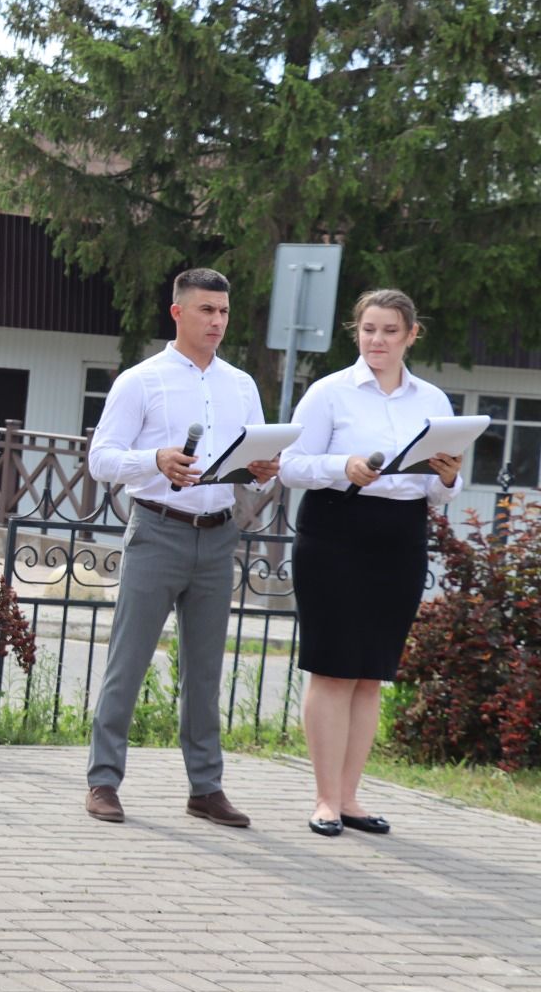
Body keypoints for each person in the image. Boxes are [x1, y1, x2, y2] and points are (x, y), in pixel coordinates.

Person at [82, 268, 280, 828]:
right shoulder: (140, 381)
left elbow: (258, 468)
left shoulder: (241, 385)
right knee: (129, 660)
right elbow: (101, 459)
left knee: (205, 670)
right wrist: (155, 460)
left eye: (223, 312)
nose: (217, 321)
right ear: (178, 312)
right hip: (157, 530)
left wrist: (266, 471)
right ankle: (103, 780)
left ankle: (205, 788)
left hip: (219, 535)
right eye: (205, 311)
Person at [279, 289, 462, 837]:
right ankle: (325, 800)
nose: (377, 340)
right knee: (333, 668)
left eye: (388, 331)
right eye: (368, 330)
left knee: (370, 676)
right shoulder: (328, 393)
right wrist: (344, 466)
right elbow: (289, 466)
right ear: (356, 332)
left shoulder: (433, 400)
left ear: (411, 335)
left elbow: (440, 493)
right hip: (334, 530)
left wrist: (449, 475)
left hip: (400, 536)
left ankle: (353, 797)